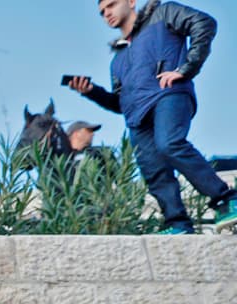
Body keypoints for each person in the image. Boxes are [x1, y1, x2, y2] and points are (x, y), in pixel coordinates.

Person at [68, 0, 237, 234]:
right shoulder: (118, 61)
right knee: (153, 169)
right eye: (102, 12)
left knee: (169, 143)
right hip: (137, 118)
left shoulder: (163, 14)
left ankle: (227, 198)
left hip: (168, 95)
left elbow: (204, 23)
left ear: (131, 2)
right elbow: (120, 103)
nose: (107, 13)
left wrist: (186, 69)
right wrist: (92, 92)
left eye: (111, 5)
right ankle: (178, 224)